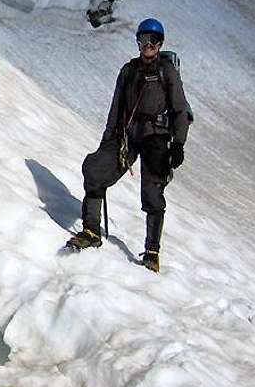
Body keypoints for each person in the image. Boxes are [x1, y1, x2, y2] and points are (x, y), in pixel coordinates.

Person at [66, 18, 190, 272]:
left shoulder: (167, 71)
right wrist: (107, 141)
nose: (147, 45)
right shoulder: (129, 71)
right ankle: (91, 230)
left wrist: (178, 143)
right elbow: (116, 109)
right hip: (128, 136)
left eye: (152, 41)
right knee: (95, 170)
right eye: (143, 40)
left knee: (153, 192)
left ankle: (152, 252)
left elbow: (179, 110)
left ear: (160, 43)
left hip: (156, 136)